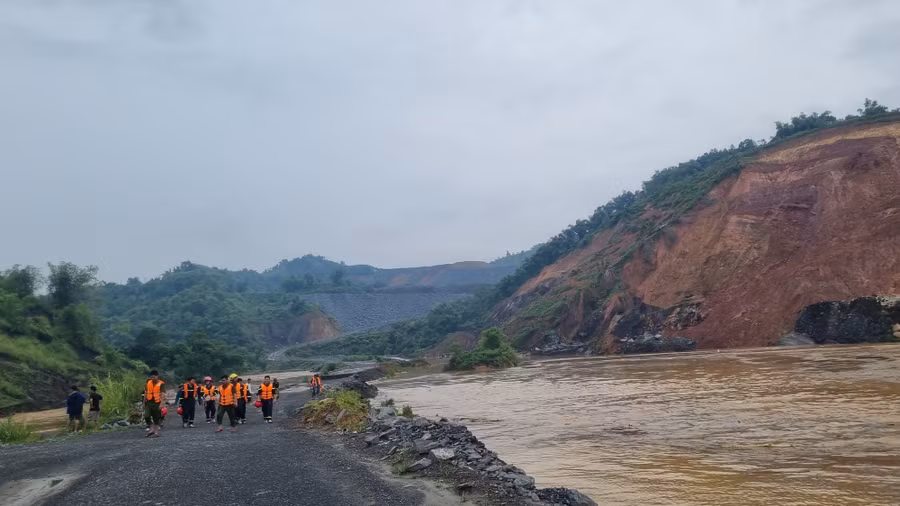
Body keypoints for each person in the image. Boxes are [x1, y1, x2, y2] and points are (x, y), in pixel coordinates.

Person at [143, 369, 166, 438]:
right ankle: (151, 427)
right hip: (149, 402)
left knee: (156, 417)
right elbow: (146, 393)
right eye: (151, 377)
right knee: (146, 416)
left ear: (157, 376)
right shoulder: (148, 383)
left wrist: (162, 403)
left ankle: (156, 431)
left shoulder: (161, 384)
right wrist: (144, 402)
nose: (152, 378)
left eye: (154, 377)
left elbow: (162, 394)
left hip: (157, 402)